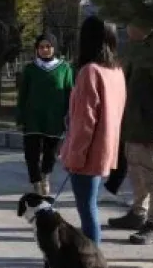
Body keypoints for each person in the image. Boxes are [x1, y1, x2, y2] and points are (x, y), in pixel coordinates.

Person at [106, 23, 153, 245]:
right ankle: (138, 213)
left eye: (131, 22)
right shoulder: (137, 48)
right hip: (134, 123)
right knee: (136, 171)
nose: (127, 28)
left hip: (152, 124)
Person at [59, 16, 126, 246]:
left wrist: (75, 156)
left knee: (87, 211)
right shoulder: (116, 71)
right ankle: (92, 255)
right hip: (105, 150)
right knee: (91, 207)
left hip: (87, 153)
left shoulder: (90, 71)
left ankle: (91, 259)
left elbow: (84, 122)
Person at [16, 33, 74, 195]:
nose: (45, 50)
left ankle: (45, 176)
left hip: (55, 118)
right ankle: (35, 181)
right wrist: (20, 116)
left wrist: (70, 115)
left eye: (48, 46)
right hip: (33, 117)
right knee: (31, 153)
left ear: (54, 48)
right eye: (41, 47)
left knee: (51, 152)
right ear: (37, 49)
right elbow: (23, 94)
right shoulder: (30, 69)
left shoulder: (64, 68)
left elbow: (70, 92)